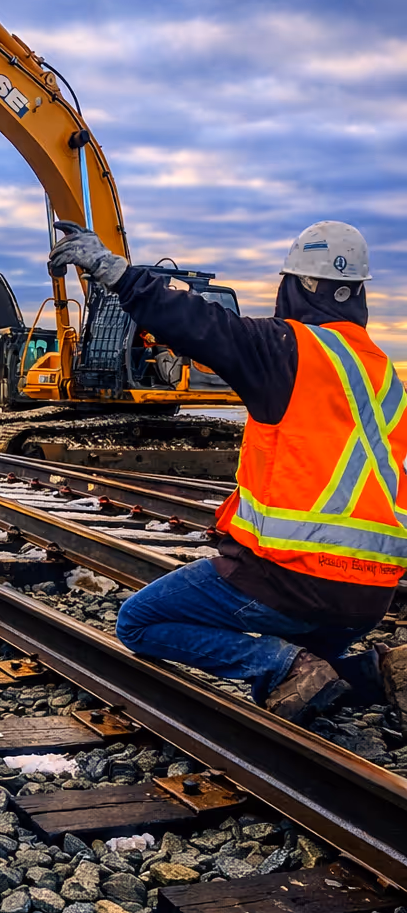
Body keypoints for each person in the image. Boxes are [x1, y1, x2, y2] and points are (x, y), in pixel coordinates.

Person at [48, 220, 407, 724]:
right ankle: (374, 672)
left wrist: (113, 270)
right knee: (289, 696)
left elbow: (197, 322)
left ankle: (288, 662)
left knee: (139, 621)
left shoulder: (288, 348)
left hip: (293, 577)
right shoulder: (381, 373)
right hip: (370, 592)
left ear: (299, 285)